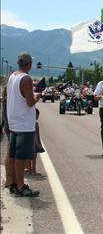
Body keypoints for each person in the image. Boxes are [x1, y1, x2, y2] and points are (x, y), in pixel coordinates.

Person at [6, 52, 42, 197]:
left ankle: (14, 183)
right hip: (24, 124)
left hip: (14, 121)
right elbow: (29, 102)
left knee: (14, 155)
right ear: (29, 64)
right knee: (21, 157)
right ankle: (21, 186)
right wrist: (38, 96)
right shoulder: (25, 79)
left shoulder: (12, 76)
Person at [26, 108, 45, 175]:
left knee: (29, 156)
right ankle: (33, 170)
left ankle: (30, 169)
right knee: (33, 157)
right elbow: (35, 134)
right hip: (34, 142)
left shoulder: (29, 123)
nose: (37, 117)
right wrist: (37, 143)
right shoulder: (34, 124)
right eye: (36, 115)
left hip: (31, 141)